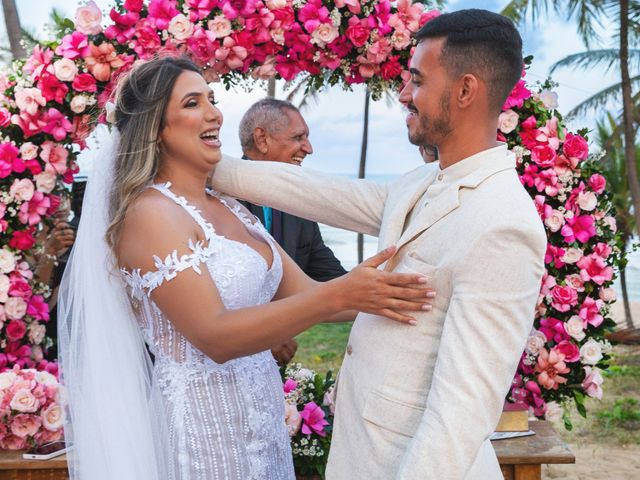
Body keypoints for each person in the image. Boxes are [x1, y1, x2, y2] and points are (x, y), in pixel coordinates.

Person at [58, 56, 435, 480]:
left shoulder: (232, 208)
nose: (214, 113)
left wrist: (412, 287)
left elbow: (308, 292)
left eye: (212, 99)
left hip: (262, 424)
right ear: (157, 128)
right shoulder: (149, 214)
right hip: (203, 435)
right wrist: (340, 294)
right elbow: (214, 335)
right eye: (192, 103)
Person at [211, 9, 547, 479]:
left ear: (466, 90)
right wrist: (210, 166)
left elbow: (462, 411)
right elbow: (324, 194)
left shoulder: (504, 225)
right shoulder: (422, 181)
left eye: (418, 81)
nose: (405, 95)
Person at [239, 99, 348, 365]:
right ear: (262, 139)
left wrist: (391, 290)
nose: (308, 149)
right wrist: (263, 337)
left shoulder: (298, 206)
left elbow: (330, 278)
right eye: (299, 137)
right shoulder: (215, 201)